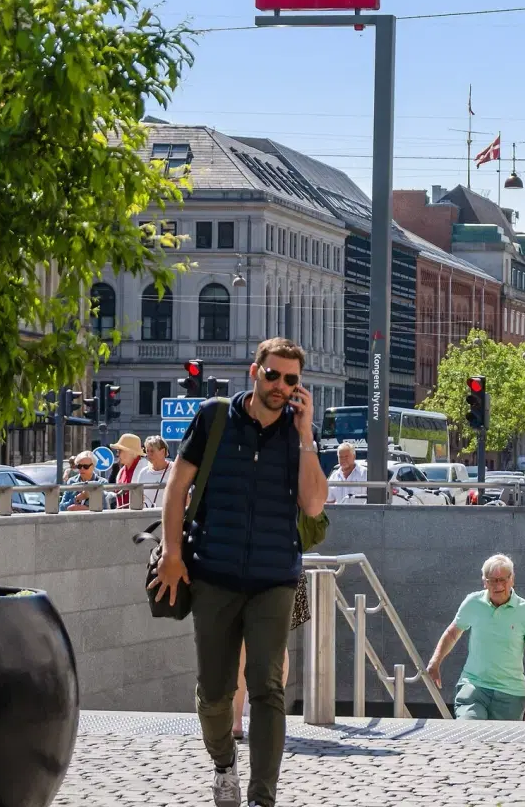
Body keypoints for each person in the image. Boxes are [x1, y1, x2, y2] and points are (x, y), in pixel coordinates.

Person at [148, 337, 328, 807]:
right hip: (213, 573)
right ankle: (225, 763)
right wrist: (172, 554)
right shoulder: (214, 417)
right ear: (255, 371)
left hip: (275, 577)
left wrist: (306, 436)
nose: (282, 386)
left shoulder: (298, 432)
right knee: (215, 692)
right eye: (273, 375)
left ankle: (261, 797)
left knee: (268, 686)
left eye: (291, 379)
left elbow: (313, 503)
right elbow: (175, 490)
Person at [425, 553, 525, 722]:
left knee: (502, 746)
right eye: (492, 580)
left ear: (512, 579)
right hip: (474, 686)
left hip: (510, 694)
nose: (499, 585)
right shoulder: (473, 602)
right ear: (484, 582)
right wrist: (435, 662)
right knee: (470, 730)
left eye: (503, 579)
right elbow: (452, 633)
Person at [134, 434, 173, 507]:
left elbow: (185, 497)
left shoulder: (174, 470)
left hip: (170, 516)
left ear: (162, 451)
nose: (148, 454)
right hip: (148, 516)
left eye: (152, 451)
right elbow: (139, 499)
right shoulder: (143, 473)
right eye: (147, 451)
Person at [111, 433, 147, 508]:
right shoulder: (121, 471)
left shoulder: (145, 470)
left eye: (120, 451)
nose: (117, 454)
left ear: (132, 453)